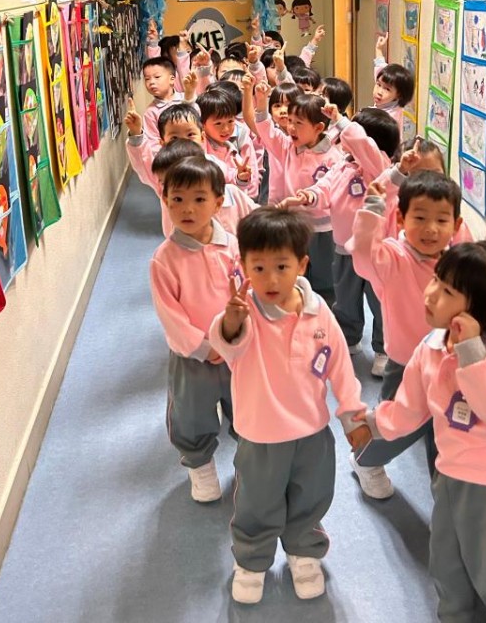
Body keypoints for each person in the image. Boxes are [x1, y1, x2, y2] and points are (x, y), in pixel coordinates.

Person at [358, 241, 486, 623]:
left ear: (481, 314)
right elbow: (409, 409)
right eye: (436, 280)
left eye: (447, 292)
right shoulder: (430, 347)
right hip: (451, 475)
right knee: (447, 562)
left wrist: (471, 352)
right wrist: (373, 424)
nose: (430, 294)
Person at [208, 208, 366, 604]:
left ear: (302, 264)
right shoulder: (245, 314)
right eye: (258, 268)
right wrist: (230, 321)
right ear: (243, 267)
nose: (271, 279)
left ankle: (304, 552)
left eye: (281, 266)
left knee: (310, 496)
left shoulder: (318, 310)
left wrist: (351, 414)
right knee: (256, 503)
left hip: (312, 432)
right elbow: (226, 344)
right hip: (260, 435)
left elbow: (339, 365)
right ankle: (251, 560)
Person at [347, 171, 462, 499]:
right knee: (395, 427)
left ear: (456, 225)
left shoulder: (456, 263)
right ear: (400, 218)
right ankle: (365, 461)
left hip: (448, 365)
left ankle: (446, 496)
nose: (431, 229)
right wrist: (372, 209)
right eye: (420, 218)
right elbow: (363, 254)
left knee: (446, 433)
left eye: (442, 220)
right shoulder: (392, 258)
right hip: (405, 364)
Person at [280, 107, 399, 378]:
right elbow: (324, 187)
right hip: (343, 247)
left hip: (374, 252)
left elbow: (363, 145)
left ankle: (383, 349)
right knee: (345, 299)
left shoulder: (378, 167)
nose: (343, 137)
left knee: (379, 302)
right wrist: (309, 196)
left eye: (351, 133)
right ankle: (349, 337)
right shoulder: (343, 165)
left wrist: (342, 121)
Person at [149, 158, 238, 503]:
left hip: (237, 351)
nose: (187, 209)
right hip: (193, 357)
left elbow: (249, 293)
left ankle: (251, 462)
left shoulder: (233, 246)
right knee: (191, 414)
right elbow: (170, 315)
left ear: (218, 202)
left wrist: (236, 339)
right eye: (177, 199)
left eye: (199, 199)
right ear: (165, 201)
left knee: (245, 408)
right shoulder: (164, 259)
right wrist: (204, 347)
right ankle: (200, 465)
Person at [246, 85, 341, 305]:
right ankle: (296, 311)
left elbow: (330, 188)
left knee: (325, 280)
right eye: (289, 121)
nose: (290, 128)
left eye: (298, 123)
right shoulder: (288, 147)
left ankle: (324, 313)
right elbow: (267, 131)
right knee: (294, 273)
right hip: (294, 225)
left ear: (318, 128)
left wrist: (309, 197)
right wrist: (262, 102)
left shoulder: (333, 156)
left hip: (323, 228)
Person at [380, 136, 474, 243]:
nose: (428, 181)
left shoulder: (452, 219)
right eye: (417, 176)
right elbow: (377, 196)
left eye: (435, 174)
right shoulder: (391, 209)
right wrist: (400, 170)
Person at [197, 86, 260, 199]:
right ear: (202, 123)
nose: (226, 129)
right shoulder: (201, 143)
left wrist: (241, 178)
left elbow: (243, 187)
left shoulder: (233, 153)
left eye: (230, 121)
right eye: (218, 123)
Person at [134, 57, 188, 151]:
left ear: (172, 79)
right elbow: (153, 143)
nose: (151, 82)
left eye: (157, 77)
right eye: (147, 79)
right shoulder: (150, 112)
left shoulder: (186, 100)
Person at [373, 35, 415, 127]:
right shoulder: (387, 99)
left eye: (387, 89)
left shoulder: (388, 118)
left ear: (399, 94)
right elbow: (380, 66)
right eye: (378, 84)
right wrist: (378, 48)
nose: (379, 92)